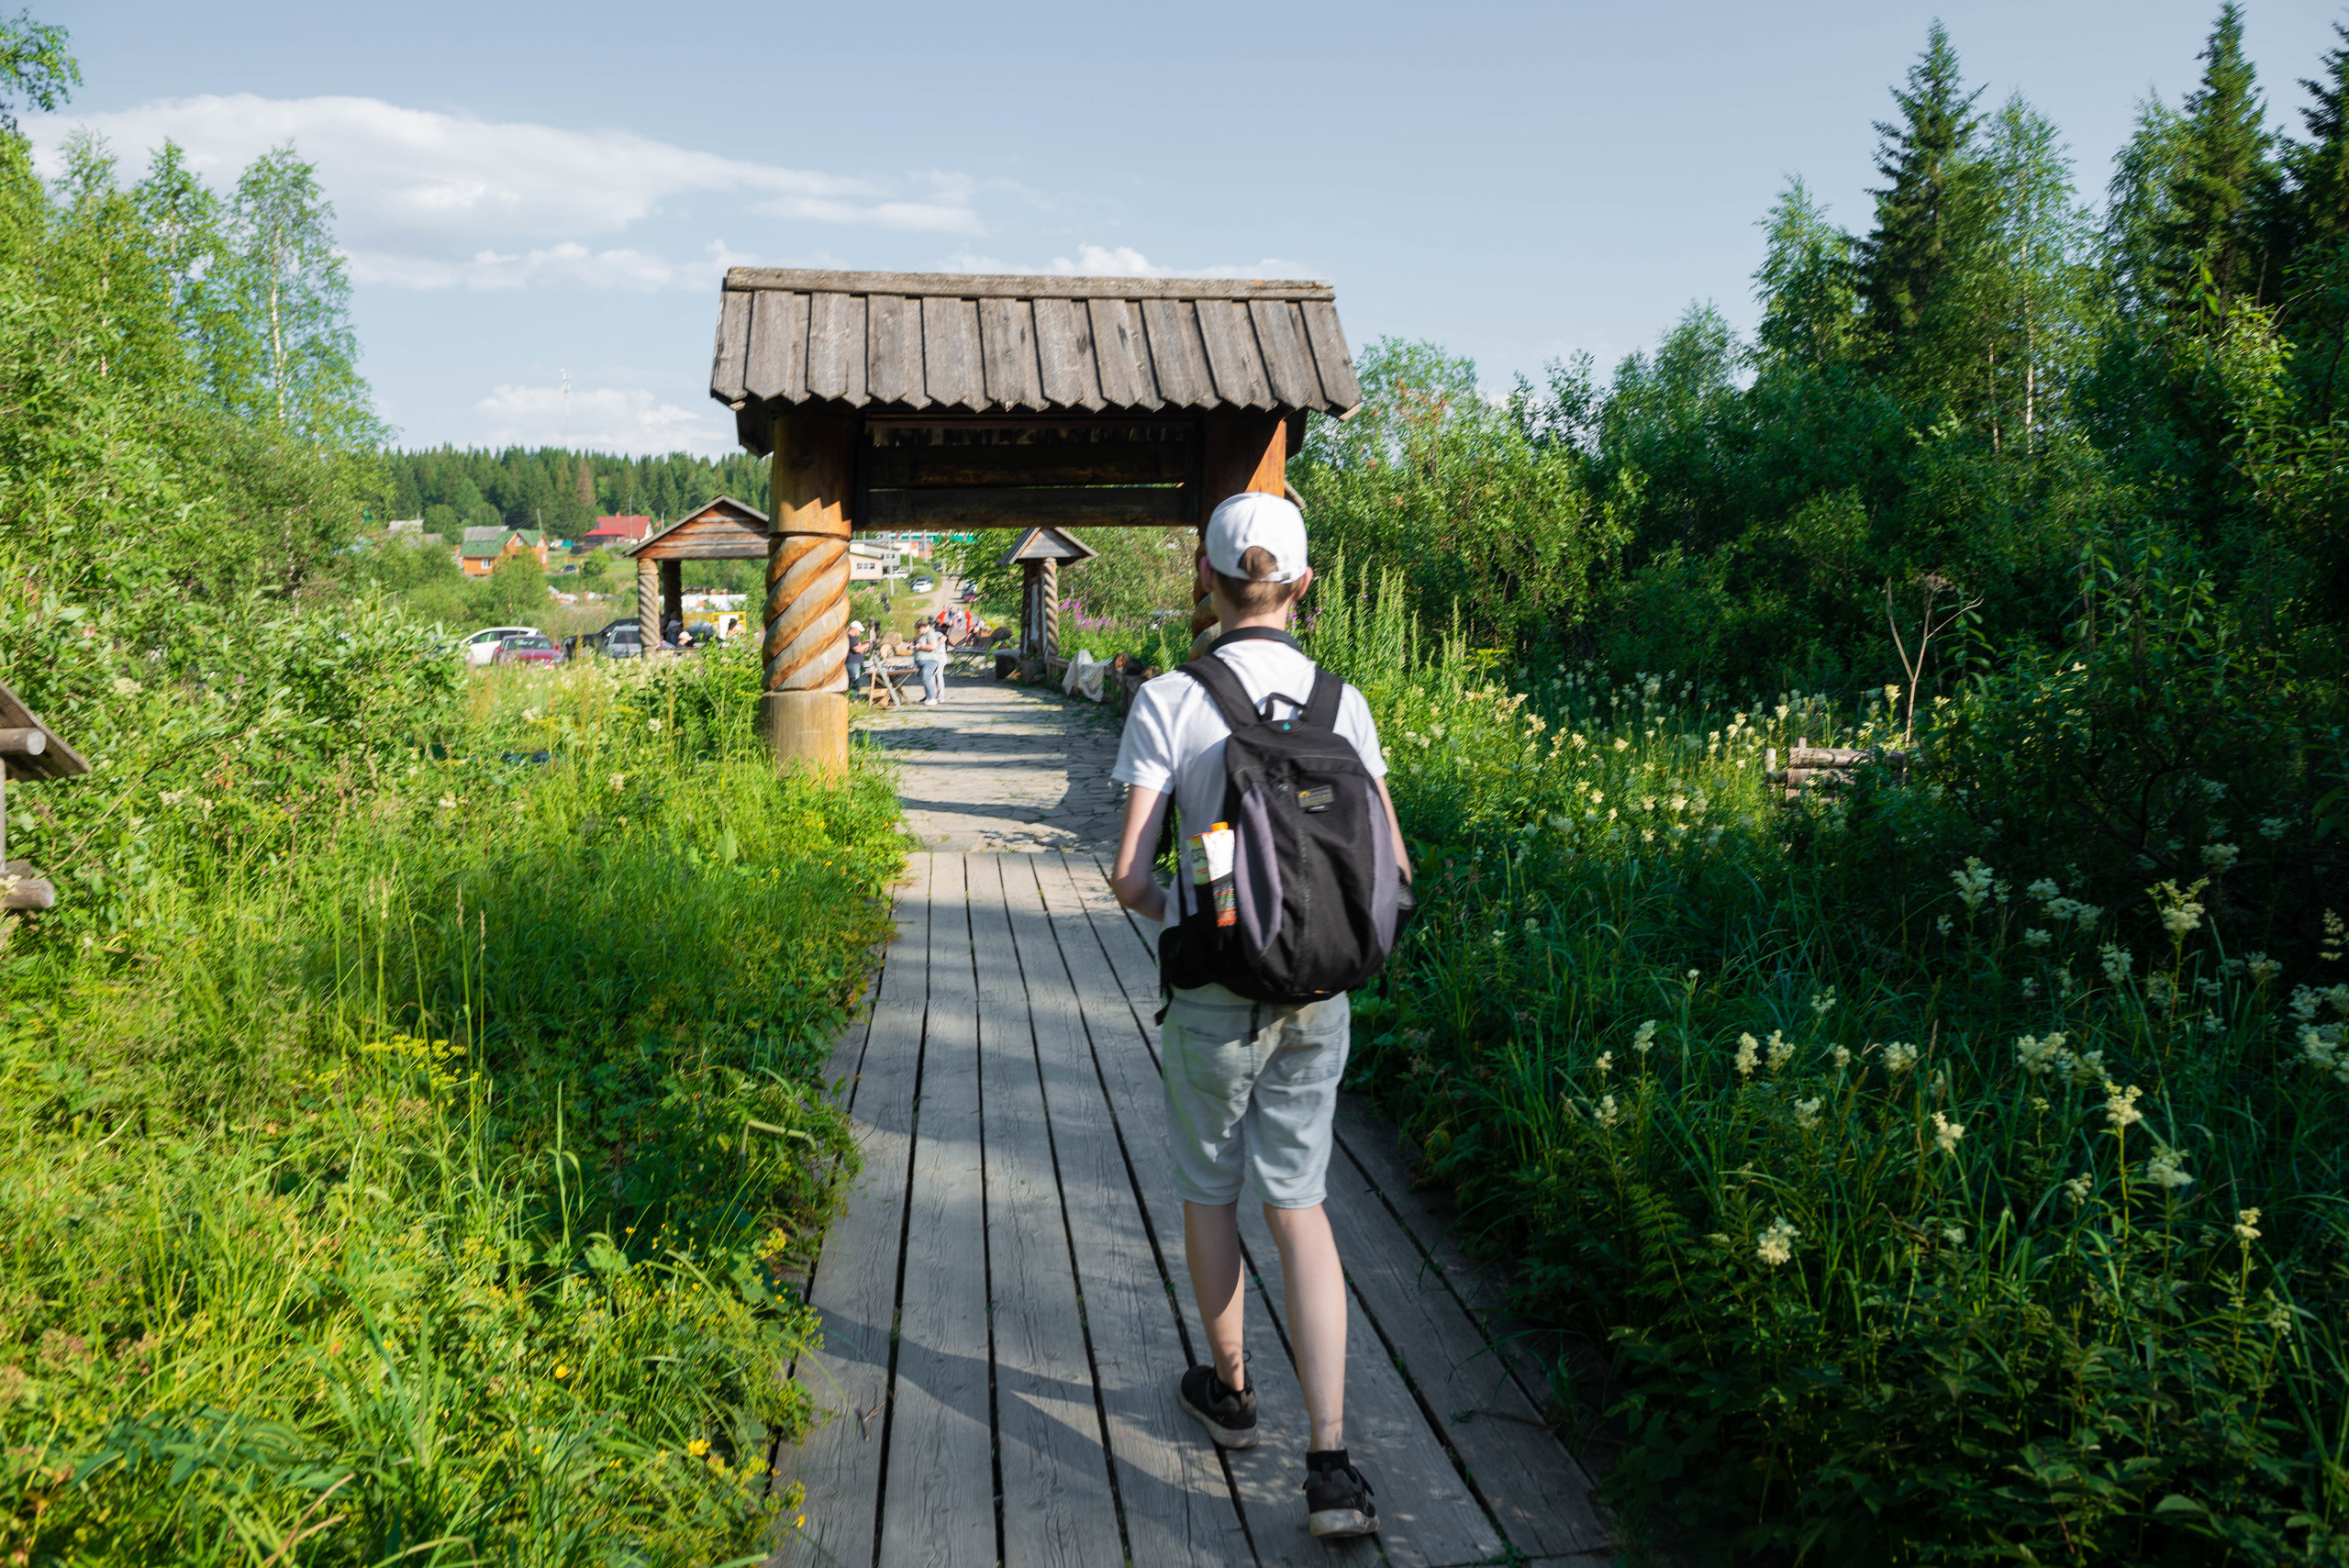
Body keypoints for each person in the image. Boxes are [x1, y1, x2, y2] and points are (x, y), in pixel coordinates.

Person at [1107, 491, 1408, 1541]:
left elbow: (1128, 876)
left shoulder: (1169, 699)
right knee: (1300, 1204)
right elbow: (1392, 866)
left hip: (1212, 998)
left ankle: (1230, 1390)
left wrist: (1205, 918)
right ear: (1302, 585)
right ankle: (1330, 1463)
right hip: (1320, 994)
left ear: (1206, 576)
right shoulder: (1342, 701)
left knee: (1210, 1189)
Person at [912, 618, 947, 705]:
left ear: (922, 627)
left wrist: (920, 647)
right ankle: (929, 697)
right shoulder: (925, 635)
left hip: (931, 660)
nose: (917, 631)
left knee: (928, 678)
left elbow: (933, 646)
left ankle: (933, 698)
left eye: (918, 629)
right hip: (924, 660)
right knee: (927, 678)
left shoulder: (930, 633)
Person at [845, 620, 870, 690]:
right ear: (855, 629)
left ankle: (853, 694)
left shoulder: (853, 638)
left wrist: (863, 649)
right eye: (859, 630)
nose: (860, 632)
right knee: (853, 682)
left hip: (854, 664)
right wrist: (865, 646)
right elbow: (856, 649)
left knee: (854, 682)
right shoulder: (849, 637)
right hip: (852, 664)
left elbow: (858, 650)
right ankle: (853, 696)